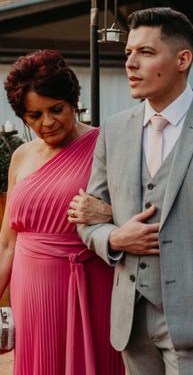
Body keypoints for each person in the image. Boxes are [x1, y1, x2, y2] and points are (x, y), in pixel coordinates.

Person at [76, 7, 193, 375]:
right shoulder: (113, 131)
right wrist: (115, 238)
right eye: (128, 53)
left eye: (145, 53)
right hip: (130, 322)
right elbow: (89, 217)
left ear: (182, 59)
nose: (131, 63)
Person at [0, 50, 124, 374]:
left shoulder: (107, 145)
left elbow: (144, 214)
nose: (48, 122)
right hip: (30, 291)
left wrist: (109, 212)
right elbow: (7, 243)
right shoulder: (21, 156)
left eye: (56, 109)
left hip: (90, 283)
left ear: (72, 101)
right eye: (34, 116)